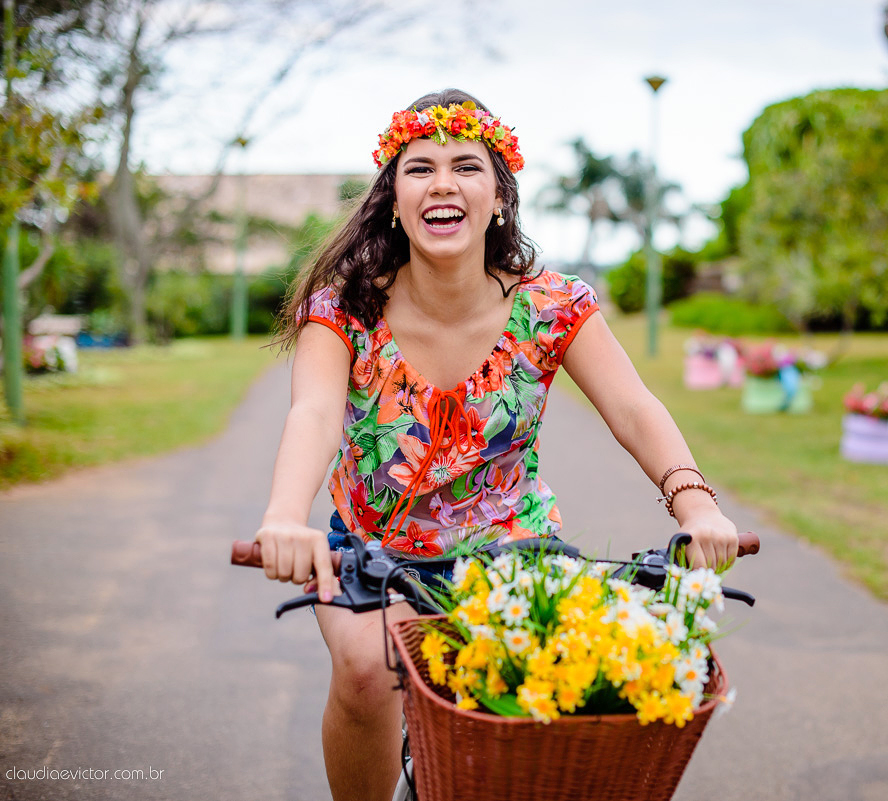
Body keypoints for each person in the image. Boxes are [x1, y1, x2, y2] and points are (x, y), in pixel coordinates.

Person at [254, 88, 739, 801]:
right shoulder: (344, 307)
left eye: (466, 166)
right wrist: (284, 517)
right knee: (364, 666)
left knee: (562, 693)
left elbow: (634, 408)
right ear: (393, 198)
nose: (443, 182)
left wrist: (696, 505)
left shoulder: (551, 305)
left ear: (499, 197)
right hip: (371, 553)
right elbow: (316, 414)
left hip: (512, 554)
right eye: (419, 167)